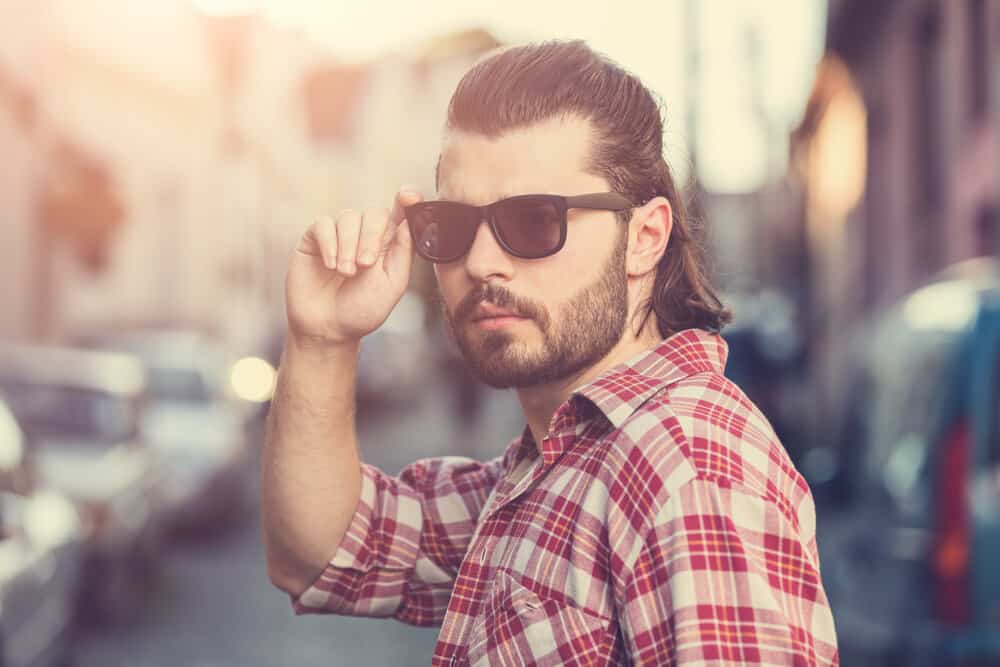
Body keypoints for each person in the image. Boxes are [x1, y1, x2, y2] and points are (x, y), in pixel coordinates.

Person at [262, 40, 839, 666]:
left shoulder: (686, 468)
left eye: (535, 221)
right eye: (451, 225)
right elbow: (323, 554)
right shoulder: (557, 465)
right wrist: (322, 338)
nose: (480, 263)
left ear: (645, 239)